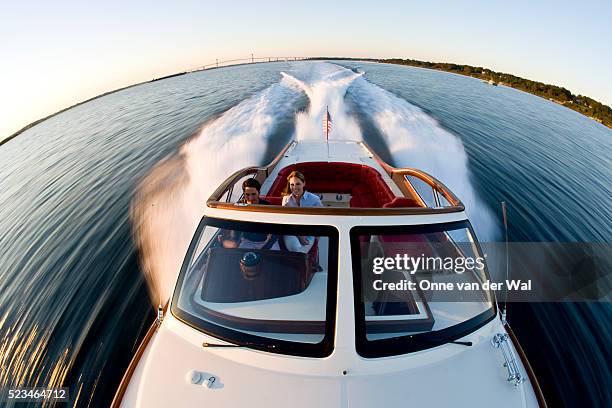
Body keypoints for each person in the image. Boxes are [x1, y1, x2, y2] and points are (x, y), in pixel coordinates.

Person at [281, 171, 322, 253]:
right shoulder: (286, 200)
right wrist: (299, 235)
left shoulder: (314, 199)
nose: (295, 187)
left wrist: (316, 239)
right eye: (292, 184)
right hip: (291, 231)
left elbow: (321, 220)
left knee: (301, 252)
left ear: (304, 184)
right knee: (296, 249)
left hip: (309, 232)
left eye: (298, 184)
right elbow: (285, 221)